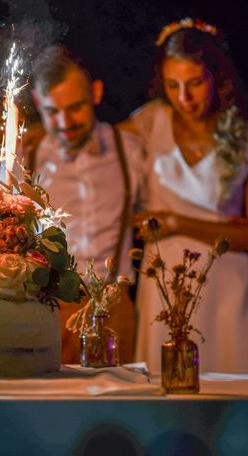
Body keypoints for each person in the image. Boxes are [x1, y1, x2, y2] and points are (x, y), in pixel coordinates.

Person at [117, 18, 248, 373]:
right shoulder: (148, 123)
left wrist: (175, 222)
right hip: (163, 284)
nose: (184, 97)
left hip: (229, 287)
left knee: (238, 402)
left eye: (194, 83)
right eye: (172, 85)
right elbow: (95, 161)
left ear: (217, 77)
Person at [27, 46, 144, 364]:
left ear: (96, 92)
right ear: (38, 103)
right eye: (52, 111)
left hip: (116, 308)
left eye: (75, 107)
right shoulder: (26, 158)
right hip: (51, 309)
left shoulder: (130, 150)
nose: (65, 122)